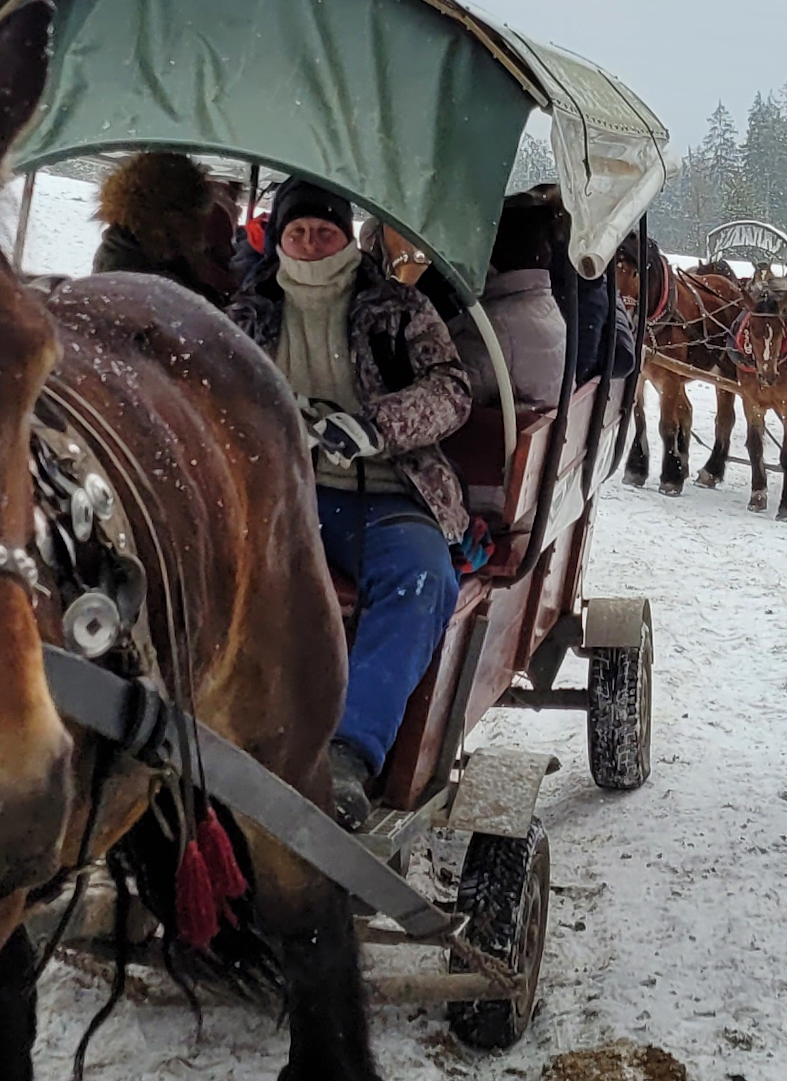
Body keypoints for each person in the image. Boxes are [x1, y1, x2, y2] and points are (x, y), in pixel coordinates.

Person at [227, 176, 473, 828]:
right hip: (287, 497)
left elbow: (452, 389)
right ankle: (226, 741)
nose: (310, 244)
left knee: (424, 580)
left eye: (324, 231)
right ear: (278, 237)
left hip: (389, 496)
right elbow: (215, 394)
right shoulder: (250, 313)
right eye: (297, 232)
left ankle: (348, 754)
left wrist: (374, 424)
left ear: (345, 235)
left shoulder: (396, 309)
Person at [91, 147, 240, 304]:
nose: (201, 233)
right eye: (199, 218)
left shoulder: (123, 252)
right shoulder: (151, 284)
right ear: (176, 220)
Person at [478, 193, 575, 421]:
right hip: (534, 440)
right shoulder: (544, 306)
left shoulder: (497, 324)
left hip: (487, 449)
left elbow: (460, 387)